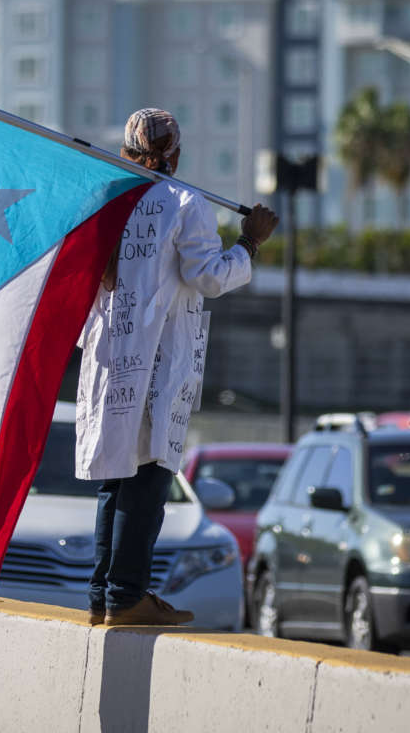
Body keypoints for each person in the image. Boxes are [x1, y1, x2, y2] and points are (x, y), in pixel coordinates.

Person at [76, 108, 278, 626]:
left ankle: (103, 596)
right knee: (146, 480)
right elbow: (209, 278)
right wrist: (250, 241)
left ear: (126, 151)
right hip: (157, 363)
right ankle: (126, 596)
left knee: (114, 480)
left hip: (109, 357)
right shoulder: (186, 203)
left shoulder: (104, 197)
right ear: (176, 154)